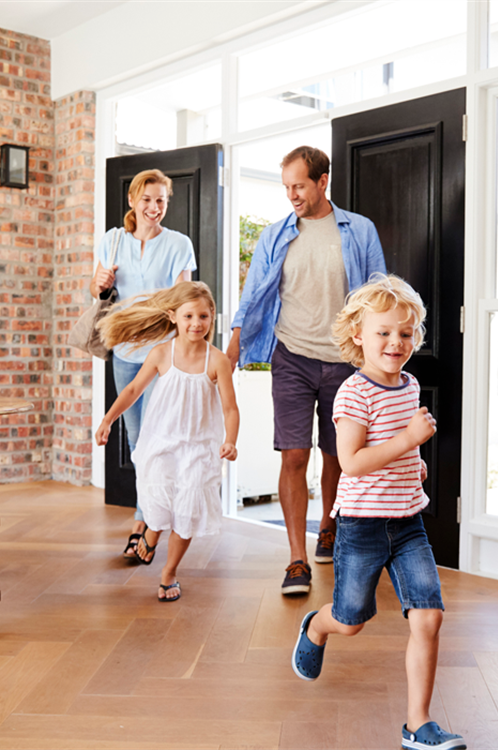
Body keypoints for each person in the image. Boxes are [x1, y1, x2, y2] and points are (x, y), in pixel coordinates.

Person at [291, 275, 466, 750]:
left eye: (406, 334)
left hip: (408, 524)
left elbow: (392, 449)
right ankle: (317, 625)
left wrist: (416, 463)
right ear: (358, 336)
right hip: (362, 527)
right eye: (384, 332)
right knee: (351, 619)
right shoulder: (353, 394)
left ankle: (418, 724)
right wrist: (408, 441)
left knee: (428, 617)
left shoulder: (408, 384)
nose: (396, 342)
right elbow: (352, 462)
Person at [226, 146, 386, 595]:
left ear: (322, 181)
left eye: (299, 185)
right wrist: (235, 344)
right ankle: (296, 559)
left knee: (337, 455)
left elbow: (377, 293)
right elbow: (254, 293)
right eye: (286, 187)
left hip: (344, 362)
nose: (292, 195)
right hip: (292, 356)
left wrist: (381, 353)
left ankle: (329, 526)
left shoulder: (358, 230)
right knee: (294, 455)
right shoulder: (275, 235)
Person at [94, 282, 239, 601]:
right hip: (161, 442)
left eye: (203, 315)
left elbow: (230, 407)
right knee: (158, 500)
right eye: (188, 316)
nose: (196, 323)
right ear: (173, 317)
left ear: (212, 316)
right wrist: (108, 419)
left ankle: (169, 573)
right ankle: (152, 533)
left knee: (186, 514)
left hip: (199, 448)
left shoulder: (217, 361)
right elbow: (132, 390)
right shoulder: (161, 354)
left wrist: (230, 440)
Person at [90, 169, 197, 560]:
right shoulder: (111, 240)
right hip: (123, 352)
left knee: (158, 439)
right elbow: (96, 290)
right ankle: (150, 513)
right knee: (138, 443)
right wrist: (100, 281)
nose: (154, 208)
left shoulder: (178, 244)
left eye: (161, 201)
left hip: (161, 354)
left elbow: (184, 299)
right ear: (133, 199)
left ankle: (144, 520)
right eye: (148, 200)